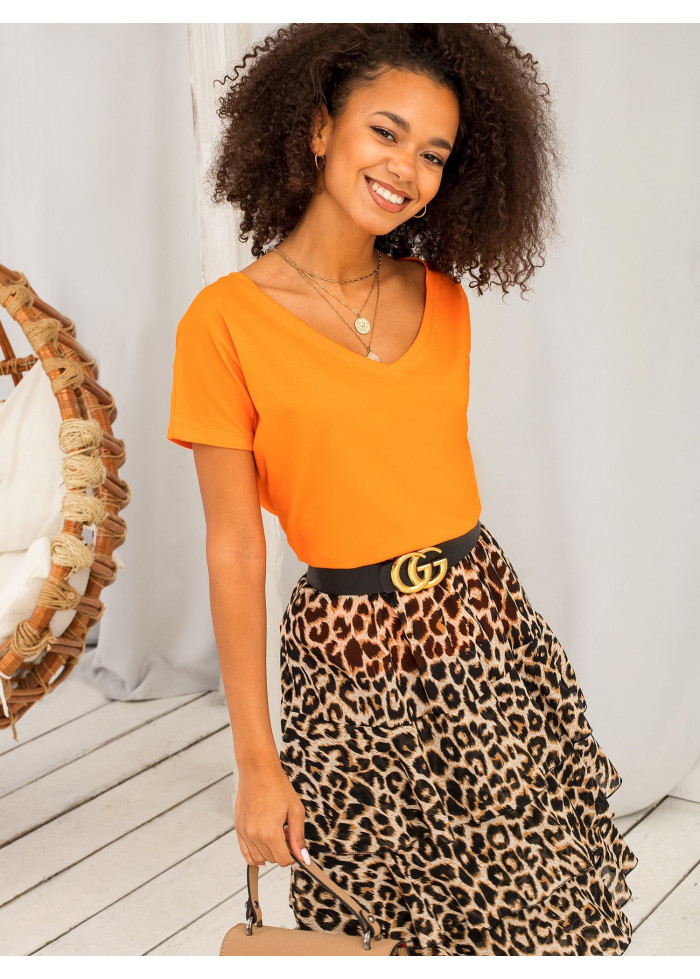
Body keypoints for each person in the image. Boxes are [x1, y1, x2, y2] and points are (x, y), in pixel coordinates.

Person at [167, 23, 637, 956]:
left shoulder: (444, 300)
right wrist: (256, 761)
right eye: (385, 132)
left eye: (433, 153)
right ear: (318, 129)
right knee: (379, 929)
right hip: (346, 663)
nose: (406, 169)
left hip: (484, 630)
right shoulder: (222, 324)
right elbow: (235, 546)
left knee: (537, 910)